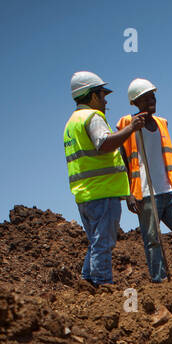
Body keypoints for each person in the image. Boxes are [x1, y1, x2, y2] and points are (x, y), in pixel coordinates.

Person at [64, 71, 151, 287]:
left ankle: (87, 282)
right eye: (102, 95)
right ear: (92, 96)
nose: (105, 100)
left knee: (96, 241)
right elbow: (103, 144)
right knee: (103, 242)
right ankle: (103, 285)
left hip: (85, 193)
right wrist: (131, 128)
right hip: (102, 193)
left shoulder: (71, 123)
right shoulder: (92, 117)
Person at [116, 78, 172, 282]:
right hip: (145, 193)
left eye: (152, 95)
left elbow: (168, 157)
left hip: (169, 190)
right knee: (153, 239)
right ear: (135, 103)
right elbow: (123, 162)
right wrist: (128, 194)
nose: (151, 99)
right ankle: (159, 280)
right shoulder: (128, 124)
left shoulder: (162, 123)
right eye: (145, 98)